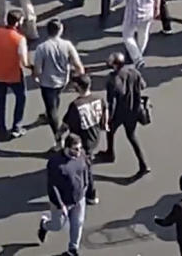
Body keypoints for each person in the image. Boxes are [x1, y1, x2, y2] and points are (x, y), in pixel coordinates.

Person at [32, 18, 84, 148]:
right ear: (60, 30)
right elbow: (78, 65)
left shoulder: (42, 48)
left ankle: (58, 138)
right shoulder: (67, 45)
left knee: (52, 110)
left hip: (47, 82)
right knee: (55, 98)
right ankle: (48, 115)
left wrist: (36, 77)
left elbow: (37, 69)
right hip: (62, 81)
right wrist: (79, 79)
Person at [38, 134, 91, 256]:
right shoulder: (56, 163)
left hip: (79, 198)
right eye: (76, 149)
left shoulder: (81, 155)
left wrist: (86, 187)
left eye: (80, 148)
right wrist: (60, 205)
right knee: (57, 225)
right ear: (67, 148)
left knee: (78, 223)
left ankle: (73, 249)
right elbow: (52, 186)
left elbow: (86, 170)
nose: (79, 151)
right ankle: (44, 224)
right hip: (62, 202)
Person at [97, 52, 148, 174]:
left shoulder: (112, 79)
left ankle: (110, 153)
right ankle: (143, 164)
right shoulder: (134, 72)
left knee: (110, 130)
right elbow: (143, 85)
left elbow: (112, 101)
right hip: (134, 110)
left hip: (120, 112)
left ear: (114, 65)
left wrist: (109, 117)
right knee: (132, 136)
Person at [0, 10, 30, 138]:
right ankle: (16, 126)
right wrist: (34, 68)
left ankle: (1, 128)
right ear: (18, 23)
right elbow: (24, 62)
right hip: (14, 75)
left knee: (0, 100)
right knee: (21, 98)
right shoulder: (20, 39)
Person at [61, 75, 106, 205]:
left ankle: (91, 194)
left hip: (82, 141)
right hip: (95, 136)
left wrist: (59, 135)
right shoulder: (98, 99)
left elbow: (66, 125)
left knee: (87, 167)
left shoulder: (76, 105)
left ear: (78, 87)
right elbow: (105, 113)